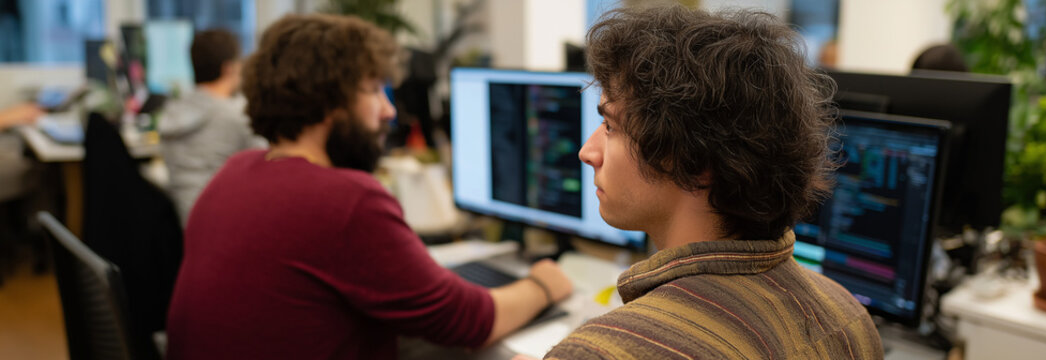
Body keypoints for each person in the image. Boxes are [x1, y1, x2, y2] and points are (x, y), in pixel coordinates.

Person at [166, 14, 573, 359]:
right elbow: (469, 321)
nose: (388, 110)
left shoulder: (234, 172)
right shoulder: (344, 199)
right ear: (330, 99)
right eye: (373, 89)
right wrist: (543, 284)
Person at [543, 6, 883, 359]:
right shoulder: (850, 315)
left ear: (696, 162)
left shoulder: (598, 352)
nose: (588, 152)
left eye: (612, 127)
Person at [157, 29, 265, 226]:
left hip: (187, 224)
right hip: (227, 226)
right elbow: (271, 167)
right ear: (229, 68)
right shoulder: (237, 116)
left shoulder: (174, 110)